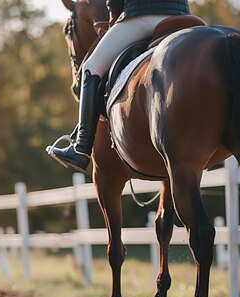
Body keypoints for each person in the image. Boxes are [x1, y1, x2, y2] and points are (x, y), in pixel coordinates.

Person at [47, 0, 191, 172]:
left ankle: (81, 148)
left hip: (141, 14)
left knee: (91, 67)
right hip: (182, 16)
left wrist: (114, 17)